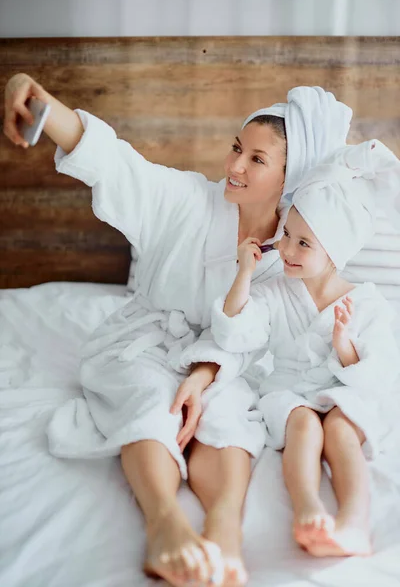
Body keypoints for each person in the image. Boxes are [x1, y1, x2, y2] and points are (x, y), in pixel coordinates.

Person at [4, 73, 352, 587]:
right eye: (237, 148)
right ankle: (164, 524)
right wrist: (39, 100)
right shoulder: (187, 198)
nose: (233, 166)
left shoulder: (294, 249)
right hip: (146, 339)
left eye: (256, 159)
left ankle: (223, 530)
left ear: (290, 174)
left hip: (232, 359)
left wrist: (206, 371)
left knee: (232, 415)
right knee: (150, 398)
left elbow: (265, 328)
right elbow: (115, 164)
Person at [176, 139, 400, 561]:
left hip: (347, 392)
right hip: (291, 390)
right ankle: (308, 509)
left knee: (338, 429)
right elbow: (235, 333)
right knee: (302, 423)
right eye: (286, 237)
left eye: (303, 244)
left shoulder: (367, 303)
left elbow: (381, 371)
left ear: (336, 253)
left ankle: (354, 522)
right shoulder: (279, 292)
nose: (286, 250)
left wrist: (345, 348)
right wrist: (244, 273)